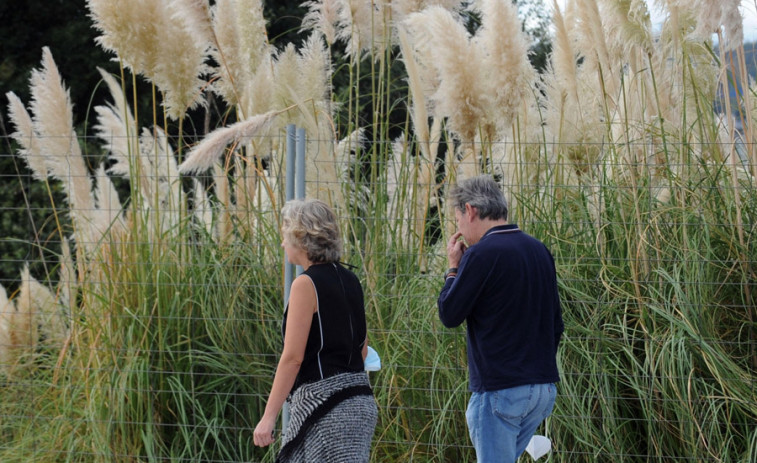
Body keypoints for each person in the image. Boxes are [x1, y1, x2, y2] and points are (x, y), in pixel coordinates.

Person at [437, 175, 564, 463]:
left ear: (469, 210)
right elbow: (557, 323)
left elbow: (449, 313)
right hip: (541, 389)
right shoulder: (539, 250)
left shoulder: (481, 254)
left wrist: (453, 268)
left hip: (500, 391)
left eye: (457, 220)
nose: (459, 229)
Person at [253, 198, 377, 462]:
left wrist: (268, 416)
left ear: (301, 237)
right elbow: (362, 348)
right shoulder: (351, 279)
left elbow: (293, 358)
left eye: (285, 235)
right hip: (360, 403)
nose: (282, 243)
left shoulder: (305, 285)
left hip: (325, 408)